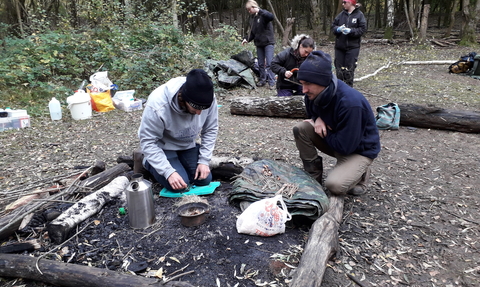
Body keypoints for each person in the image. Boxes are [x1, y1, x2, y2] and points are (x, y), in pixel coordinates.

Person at [293, 51, 380, 196]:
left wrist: (322, 126)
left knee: (334, 185)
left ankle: (361, 173)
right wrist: (318, 119)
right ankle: (313, 178)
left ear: (322, 82)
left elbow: (345, 147)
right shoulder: (312, 94)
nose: (304, 90)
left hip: (358, 150)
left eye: (308, 84)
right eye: (302, 84)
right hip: (337, 139)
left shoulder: (350, 103)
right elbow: (312, 114)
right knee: (300, 129)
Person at [138, 69, 219, 192]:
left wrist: (204, 161)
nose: (199, 113)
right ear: (184, 98)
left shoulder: (207, 98)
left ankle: (180, 162)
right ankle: (148, 161)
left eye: (204, 109)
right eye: (196, 108)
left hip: (187, 145)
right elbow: (148, 142)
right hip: (163, 147)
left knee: (204, 180)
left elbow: (210, 129)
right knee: (179, 185)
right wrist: (168, 172)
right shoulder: (158, 105)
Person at [331, 0, 367, 87]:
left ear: (350, 3)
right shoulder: (341, 15)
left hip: (352, 48)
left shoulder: (359, 15)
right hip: (340, 47)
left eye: (344, 2)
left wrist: (351, 31)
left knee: (349, 70)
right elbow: (333, 27)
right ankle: (339, 88)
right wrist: (338, 29)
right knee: (339, 70)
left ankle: (348, 89)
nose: (342, 4)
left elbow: (362, 29)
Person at [242, 0, 276, 89]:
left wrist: (259, 11)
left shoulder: (264, 14)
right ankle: (262, 80)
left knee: (269, 63)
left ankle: (272, 82)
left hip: (268, 42)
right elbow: (253, 33)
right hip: (259, 43)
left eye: (250, 9)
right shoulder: (252, 18)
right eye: (248, 10)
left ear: (254, 7)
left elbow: (271, 17)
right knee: (260, 63)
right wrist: (246, 39)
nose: (249, 11)